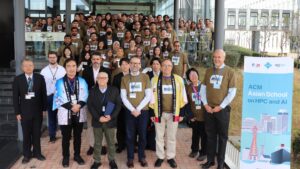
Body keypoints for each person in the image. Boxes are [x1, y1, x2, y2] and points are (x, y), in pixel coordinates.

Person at [200, 49, 237, 169]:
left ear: (224, 58)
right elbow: (203, 89)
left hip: (222, 110)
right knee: (210, 136)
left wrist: (220, 106)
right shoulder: (209, 71)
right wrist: (205, 104)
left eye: (219, 57)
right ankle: (210, 160)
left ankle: (220, 163)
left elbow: (232, 92)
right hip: (209, 109)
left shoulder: (230, 72)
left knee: (222, 137)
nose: (216, 59)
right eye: (215, 57)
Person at [149, 58, 187, 168]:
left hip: (174, 113)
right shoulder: (154, 80)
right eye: (164, 65)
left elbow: (183, 97)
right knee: (159, 137)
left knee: (171, 137)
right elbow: (151, 98)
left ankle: (170, 157)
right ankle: (160, 157)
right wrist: (152, 113)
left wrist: (182, 114)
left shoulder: (179, 79)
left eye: (169, 65)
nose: (166, 67)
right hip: (158, 113)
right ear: (161, 67)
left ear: (172, 67)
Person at [53, 59, 88, 167]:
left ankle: (77, 155)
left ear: (76, 67)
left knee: (78, 136)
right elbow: (57, 98)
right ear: (65, 68)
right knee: (66, 137)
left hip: (79, 112)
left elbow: (86, 95)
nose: (71, 68)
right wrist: (71, 107)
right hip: (65, 113)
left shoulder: (82, 81)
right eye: (69, 66)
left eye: (73, 66)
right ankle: (66, 157)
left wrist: (78, 106)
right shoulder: (59, 82)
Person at [13, 58, 47, 164]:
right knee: (26, 134)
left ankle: (37, 153)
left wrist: (44, 109)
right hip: (24, 112)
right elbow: (15, 97)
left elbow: (43, 95)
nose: (28, 67)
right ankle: (26, 155)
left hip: (38, 112)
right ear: (22, 67)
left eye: (30, 65)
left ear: (33, 66)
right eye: (26, 65)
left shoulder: (40, 78)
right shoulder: (18, 79)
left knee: (37, 134)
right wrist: (17, 112)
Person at [120, 56, 152, 168]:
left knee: (142, 135)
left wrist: (138, 109)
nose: (135, 65)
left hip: (143, 112)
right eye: (133, 63)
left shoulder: (145, 77)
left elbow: (148, 95)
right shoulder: (124, 79)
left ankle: (142, 156)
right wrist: (133, 109)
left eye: (137, 63)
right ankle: (130, 158)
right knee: (130, 136)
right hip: (129, 112)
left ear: (140, 65)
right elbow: (123, 97)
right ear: (129, 64)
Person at [88, 71, 121, 169]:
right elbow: (90, 106)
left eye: (104, 78)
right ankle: (97, 161)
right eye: (100, 78)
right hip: (97, 121)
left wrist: (111, 116)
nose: (102, 79)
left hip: (110, 121)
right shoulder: (92, 90)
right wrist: (98, 117)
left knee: (111, 142)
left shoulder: (114, 90)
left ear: (107, 79)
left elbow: (118, 105)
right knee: (97, 142)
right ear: (97, 80)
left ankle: (112, 160)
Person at [82, 52, 112, 155]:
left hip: (104, 102)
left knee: (103, 124)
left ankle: (103, 146)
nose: (95, 61)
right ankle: (91, 145)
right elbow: (84, 87)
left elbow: (110, 87)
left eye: (97, 59)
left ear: (101, 60)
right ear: (91, 60)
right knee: (91, 125)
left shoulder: (107, 71)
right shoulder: (86, 71)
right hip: (91, 102)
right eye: (94, 59)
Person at [40, 51, 66, 143]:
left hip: (61, 96)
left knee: (63, 116)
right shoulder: (44, 71)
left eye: (54, 57)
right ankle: (52, 136)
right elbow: (41, 86)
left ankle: (65, 134)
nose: (52, 59)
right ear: (48, 58)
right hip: (49, 96)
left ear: (57, 58)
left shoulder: (62, 69)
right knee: (52, 117)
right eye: (50, 57)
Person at [185, 68, 207, 161]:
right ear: (188, 78)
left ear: (198, 74)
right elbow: (186, 103)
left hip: (204, 116)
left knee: (204, 135)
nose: (193, 76)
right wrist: (190, 115)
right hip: (194, 116)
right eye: (191, 75)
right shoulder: (188, 88)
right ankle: (194, 150)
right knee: (195, 134)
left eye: (195, 74)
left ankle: (203, 153)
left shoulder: (204, 86)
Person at [112, 58, 130, 153]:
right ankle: (120, 145)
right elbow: (114, 92)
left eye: (126, 64)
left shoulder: (133, 76)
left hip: (132, 106)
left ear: (129, 65)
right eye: (122, 64)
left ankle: (131, 144)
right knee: (120, 126)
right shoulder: (117, 77)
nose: (125, 66)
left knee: (131, 126)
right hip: (120, 106)